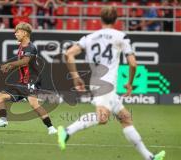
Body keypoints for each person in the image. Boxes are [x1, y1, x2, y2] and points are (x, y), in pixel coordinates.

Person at [57, 6, 165, 160]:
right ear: (116, 20)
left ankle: (149, 157)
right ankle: (67, 131)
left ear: (100, 19)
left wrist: (75, 77)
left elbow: (68, 54)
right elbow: (133, 64)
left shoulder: (89, 37)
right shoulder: (121, 36)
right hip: (106, 84)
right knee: (102, 118)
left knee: (125, 118)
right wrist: (129, 83)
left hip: (98, 81)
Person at [0, 22, 57, 135]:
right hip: (22, 82)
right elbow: (23, 63)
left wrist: (10, 65)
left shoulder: (31, 47)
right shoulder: (21, 47)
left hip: (31, 81)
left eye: (17, 31)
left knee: (34, 104)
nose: (15, 34)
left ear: (24, 33)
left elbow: (25, 61)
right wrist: (11, 66)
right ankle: (2, 120)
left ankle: (51, 128)